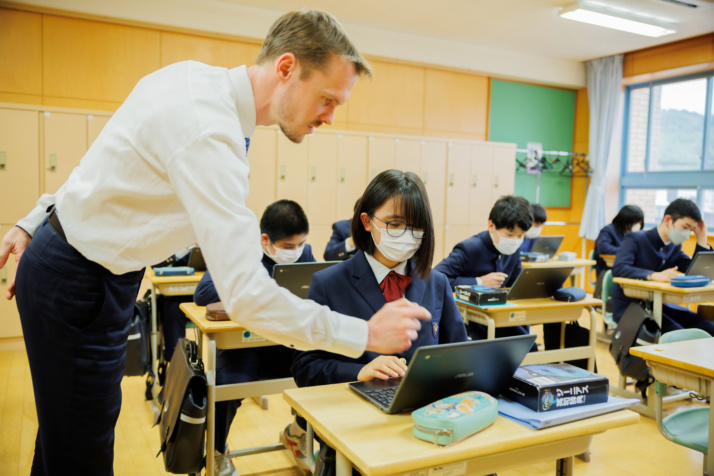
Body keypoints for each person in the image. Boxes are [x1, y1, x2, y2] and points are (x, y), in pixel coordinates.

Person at [0, 10, 431, 475]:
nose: (329, 117)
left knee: (70, 435)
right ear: (286, 68)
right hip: (76, 276)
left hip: (91, 269)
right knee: (80, 451)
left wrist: (36, 216)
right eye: (327, 99)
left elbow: (104, 165)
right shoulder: (208, 129)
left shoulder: (197, 85)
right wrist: (364, 334)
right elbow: (246, 297)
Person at [291, 170, 468, 470]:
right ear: (367, 222)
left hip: (428, 422)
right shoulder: (328, 283)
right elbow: (305, 367)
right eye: (395, 224)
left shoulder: (435, 282)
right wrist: (359, 370)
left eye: (416, 227)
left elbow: (459, 353)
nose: (406, 235)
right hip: (356, 425)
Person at [194, 199, 314, 475]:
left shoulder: (304, 254)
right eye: (288, 247)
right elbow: (203, 293)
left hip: (286, 345)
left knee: (323, 369)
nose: (296, 252)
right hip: (244, 348)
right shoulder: (239, 253)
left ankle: (296, 433)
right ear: (265, 240)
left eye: (301, 244)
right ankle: (216, 450)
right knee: (227, 385)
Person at [434, 195, 533, 340]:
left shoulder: (513, 250)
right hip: (472, 322)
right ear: (491, 226)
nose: (516, 241)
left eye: (521, 236)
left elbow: (515, 283)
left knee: (528, 345)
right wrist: (478, 282)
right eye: (510, 234)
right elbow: (437, 278)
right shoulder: (469, 248)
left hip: (501, 317)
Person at [612, 198, 714, 336]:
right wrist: (653, 275)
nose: (687, 233)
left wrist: (701, 239)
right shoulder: (635, 239)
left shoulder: (674, 246)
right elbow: (619, 269)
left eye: (690, 229)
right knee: (679, 334)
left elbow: (696, 271)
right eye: (685, 227)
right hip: (632, 306)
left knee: (707, 327)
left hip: (659, 305)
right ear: (668, 220)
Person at [593, 204, 644, 301]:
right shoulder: (608, 230)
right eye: (636, 221)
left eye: (640, 222)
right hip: (607, 269)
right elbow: (604, 248)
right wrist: (626, 251)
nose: (639, 224)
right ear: (626, 219)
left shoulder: (635, 234)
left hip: (627, 267)